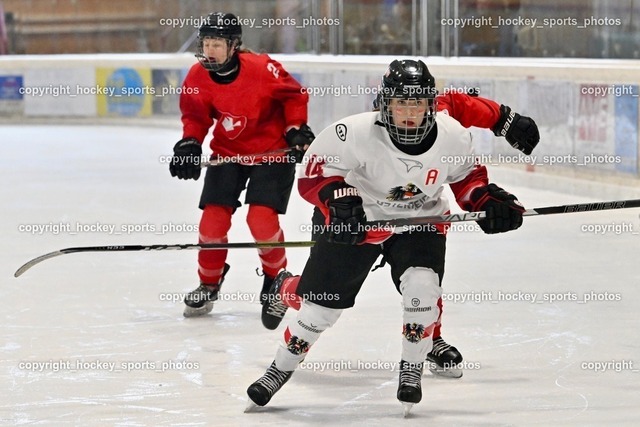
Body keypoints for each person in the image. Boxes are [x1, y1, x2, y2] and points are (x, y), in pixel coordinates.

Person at [247, 59, 525, 414]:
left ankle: (412, 367)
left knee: (423, 285)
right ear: (384, 103)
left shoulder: (453, 134)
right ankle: (280, 365)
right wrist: (337, 201)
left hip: (420, 219)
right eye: (401, 104)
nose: (410, 113)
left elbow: (468, 180)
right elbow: (314, 176)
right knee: (319, 308)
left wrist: (487, 202)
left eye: (418, 104)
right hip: (361, 219)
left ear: (431, 105)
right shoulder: (354, 132)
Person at [168, 12, 314, 317]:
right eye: (206, 42)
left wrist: (296, 127)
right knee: (212, 223)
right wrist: (190, 143)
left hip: (272, 152)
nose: (209, 50)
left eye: (217, 44)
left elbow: (293, 96)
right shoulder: (197, 76)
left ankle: (276, 279)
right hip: (228, 152)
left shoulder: (262, 68)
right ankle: (208, 283)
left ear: (234, 45)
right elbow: (195, 117)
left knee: (261, 221)